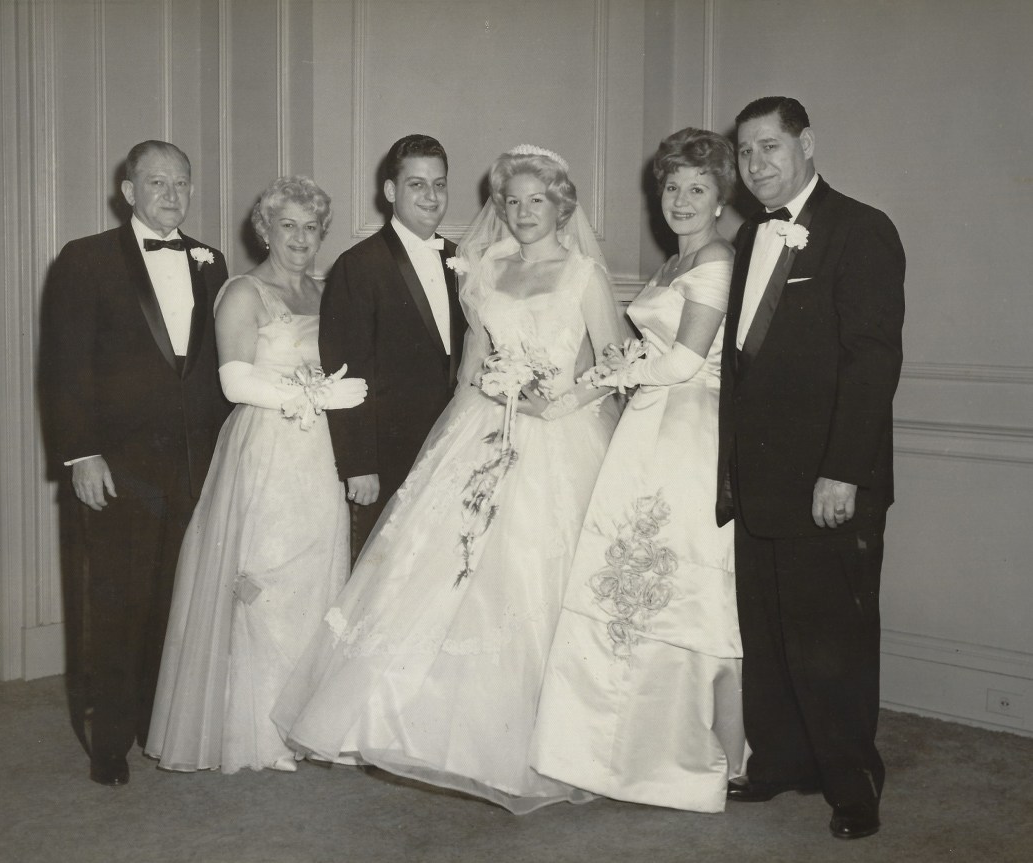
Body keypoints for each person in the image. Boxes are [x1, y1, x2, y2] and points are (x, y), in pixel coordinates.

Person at [271, 146, 627, 813]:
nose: (522, 214)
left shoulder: (584, 276)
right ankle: (448, 737)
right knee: (446, 578)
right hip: (481, 429)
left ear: (562, 206)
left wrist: (559, 402)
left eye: (536, 201)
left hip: (559, 437)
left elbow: (611, 366)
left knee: (532, 584)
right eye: (511, 201)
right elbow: (472, 362)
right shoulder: (485, 268)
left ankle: (545, 745)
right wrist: (459, 431)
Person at [531, 128, 746, 811]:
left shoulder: (715, 260)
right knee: (626, 575)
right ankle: (613, 747)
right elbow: (630, 358)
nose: (681, 201)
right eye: (672, 188)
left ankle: (707, 752)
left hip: (689, 431)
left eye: (698, 190)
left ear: (720, 200)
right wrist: (562, 401)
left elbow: (683, 362)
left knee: (680, 580)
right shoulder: (668, 267)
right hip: (646, 427)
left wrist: (616, 374)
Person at [716, 97, 905, 840]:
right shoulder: (746, 239)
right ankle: (782, 762)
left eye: (770, 147)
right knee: (767, 632)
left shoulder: (861, 230)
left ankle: (853, 784)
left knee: (834, 639)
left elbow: (873, 361)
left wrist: (843, 471)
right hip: (759, 480)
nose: (756, 164)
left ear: (807, 144)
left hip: (830, 480)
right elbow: (742, 371)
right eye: (745, 152)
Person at [145, 177, 367, 773]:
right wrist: (322, 395)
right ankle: (259, 730)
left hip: (319, 452)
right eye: (286, 225)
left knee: (317, 572)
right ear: (264, 230)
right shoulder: (244, 292)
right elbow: (233, 382)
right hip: (269, 447)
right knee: (267, 576)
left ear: (323, 232)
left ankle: (303, 720)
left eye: (310, 227)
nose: (299, 238)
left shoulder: (324, 293)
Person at [43, 141, 231, 786]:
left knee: (175, 603)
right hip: (118, 468)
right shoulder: (86, 260)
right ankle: (110, 743)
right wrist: (81, 453)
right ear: (129, 191)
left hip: (191, 465)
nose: (172, 195)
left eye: (182, 182)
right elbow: (63, 370)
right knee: (118, 604)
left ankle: (162, 723)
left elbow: (210, 372)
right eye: (157, 183)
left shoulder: (211, 262)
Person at [318, 134, 468, 560]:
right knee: (380, 569)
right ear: (390, 191)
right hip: (387, 455)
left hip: (451, 444)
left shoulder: (462, 260)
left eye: (439, 184)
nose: (431, 196)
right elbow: (345, 371)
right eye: (416, 184)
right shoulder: (358, 265)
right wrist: (359, 463)